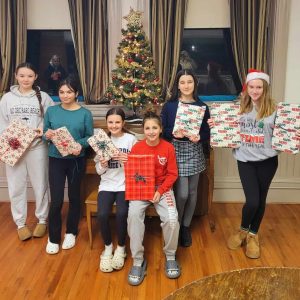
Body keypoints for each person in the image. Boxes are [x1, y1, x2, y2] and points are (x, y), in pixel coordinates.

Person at [208, 70, 300, 259]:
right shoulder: (238, 108)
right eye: (252, 86)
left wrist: (292, 131)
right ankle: (242, 229)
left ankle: (252, 235)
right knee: (253, 201)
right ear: (247, 88)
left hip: (268, 161)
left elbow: (286, 133)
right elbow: (225, 129)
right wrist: (215, 124)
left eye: (259, 87)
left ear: (264, 88)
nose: (255, 90)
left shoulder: (276, 110)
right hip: (245, 160)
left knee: (261, 200)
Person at [0, 62, 54, 241]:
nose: (25, 79)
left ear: (36, 77)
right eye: (22, 75)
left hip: (37, 148)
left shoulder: (44, 97)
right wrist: (8, 143)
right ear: (16, 76)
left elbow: (50, 119)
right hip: (14, 149)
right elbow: (2, 123)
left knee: (40, 185)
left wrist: (41, 130)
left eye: (30, 76)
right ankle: (20, 223)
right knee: (16, 186)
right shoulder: (7, 98)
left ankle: (42, 220)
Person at [127, 111, 180, 286]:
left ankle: (170, 255)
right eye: (147, 128)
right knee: (133, 215)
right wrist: (145, 189)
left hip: (162, 189)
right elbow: (134, 173)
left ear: (160, 129)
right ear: (143, 130)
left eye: (154, 128)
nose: (151, 131)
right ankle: (137, 259)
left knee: (172, 219)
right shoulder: (137, 147)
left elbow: (172, 174)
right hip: (142, 188)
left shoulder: (168, 148)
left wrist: (161, 190)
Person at [44, 76, 93, 254]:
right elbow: (44, 133)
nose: (65, 95)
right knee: (56, 200)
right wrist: (46, 135)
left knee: (74, 197)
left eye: (69, 92)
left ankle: (71, 232)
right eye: (62, 92)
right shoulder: (51, 111)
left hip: (76, 160)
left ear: (76, 93)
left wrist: (81, 144)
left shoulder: (85, 114)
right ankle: (53, 237)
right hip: (55, 159)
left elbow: (89, 136)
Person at [161, 69, 210, 247]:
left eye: (190, 81)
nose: (186, 85)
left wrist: (200, 137)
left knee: (192, 192)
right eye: (183, 82)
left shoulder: (202, 106)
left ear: (194, 84)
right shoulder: (170, 106)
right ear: (178, 85)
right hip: (176, 151)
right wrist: (173, 133)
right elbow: (163, 130)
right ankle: (177, 223)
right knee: (181, 194)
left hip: (194, 150)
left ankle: (185, 227)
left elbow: (206, 131)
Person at [95, 108, 137, 272]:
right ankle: (107, 247)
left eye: (117, 122)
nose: (114, 125)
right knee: (103, 214)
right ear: (107, 123)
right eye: (110, 122)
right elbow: (99, 171)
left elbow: (138, 168)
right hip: (106, 185)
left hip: (125, 185)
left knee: (121, 214)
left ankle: (121, 247)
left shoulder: (130, 140)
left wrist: (128, 161)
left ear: (123, 123)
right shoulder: (102, 140)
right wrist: (103, 164)